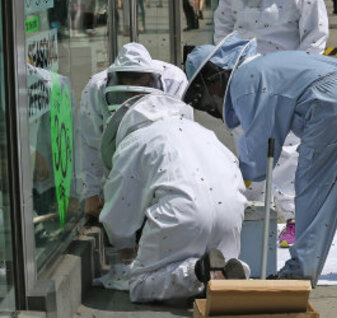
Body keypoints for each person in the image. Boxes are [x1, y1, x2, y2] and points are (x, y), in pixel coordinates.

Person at [183, 34, 337, 286]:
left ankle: (300, 270)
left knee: (314, 189)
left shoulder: (245, 81)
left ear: (213, 79)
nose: (210, 102)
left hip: (331, 100)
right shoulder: (261, 66)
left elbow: (260, 152)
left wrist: (230, 181)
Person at [213, 0, 328, 248]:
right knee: (247, 144)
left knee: (288, 148)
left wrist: (303, 73)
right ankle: (256, 215)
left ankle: (294, 217)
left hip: (287, 77)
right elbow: (222, 23)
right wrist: (226, 62)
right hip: (244, 76)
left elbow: (316, 32)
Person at [99, 93, 248, 303]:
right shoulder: (204, 133)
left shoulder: (136, 141)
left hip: (182, 211)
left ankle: (199, 270)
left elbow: (119, 215)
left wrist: (123, 244)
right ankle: (233, 269)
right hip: (230, 210)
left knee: (140, 284)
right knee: (221, 259)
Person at [76, 42, 188, 219]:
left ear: (152, 80)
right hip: (117, 163)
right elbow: (90, 142)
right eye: (128, 89)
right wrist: (91, 192)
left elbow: (180, 139)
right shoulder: (95, 88)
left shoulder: (174, 80)